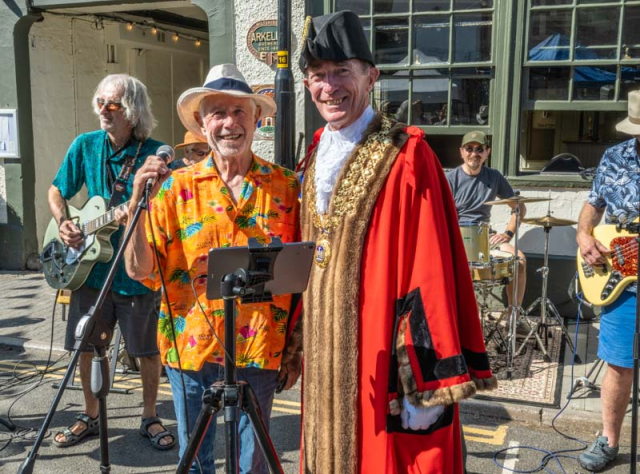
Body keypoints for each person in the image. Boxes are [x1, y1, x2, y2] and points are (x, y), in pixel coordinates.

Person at [294, 11, 496, 474]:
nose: (329, 86)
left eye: (342, 71)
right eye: (318, 75)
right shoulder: (316, 152)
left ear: (371, 77)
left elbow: (430, 269)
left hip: (380, 351)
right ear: (307, 85)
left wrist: (421, 382)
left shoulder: (407, 154)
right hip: (323, 360)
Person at [122, 64, 302, 474]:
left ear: (256, 120)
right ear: (202, 125)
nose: (229, 123)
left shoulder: (288, 187)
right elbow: (138, 270)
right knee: (196, 461)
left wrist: (296, 349)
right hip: (191, 345)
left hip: (259, 345)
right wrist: (136, 204)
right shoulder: (173, 188)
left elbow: (303, 275)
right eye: (218, 113)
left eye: (239, 112)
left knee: (252, 462)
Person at [47, 74, 175, 450]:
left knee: (146, 350)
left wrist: (137, 209)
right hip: (91, 270)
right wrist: (64, 221)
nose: (103, 110)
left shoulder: (155, 155)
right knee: (87, 345)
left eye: (113, 104)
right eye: (100, 102)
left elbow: (168, 204)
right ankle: (90, 414)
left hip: (137, 271)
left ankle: (149, 416)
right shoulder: (85, 145)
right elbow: (56, 190)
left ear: (132, 111)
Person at [575, 90, 640, 472]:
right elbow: (593, 203)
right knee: (618, 363)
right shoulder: (616, 157)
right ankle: (609, 440)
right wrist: (584, 235)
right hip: (621, 282)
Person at [446, 131, 527, 310]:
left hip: (485, 237)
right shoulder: (450, 179)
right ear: (461, 152)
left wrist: (507, 234)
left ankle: (513, 315)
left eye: (479, 149)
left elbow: (519, 208)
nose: (474, 153)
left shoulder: (494, 177)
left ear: (487, 152)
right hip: (458, 237)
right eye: (469, 149)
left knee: (519, 261)